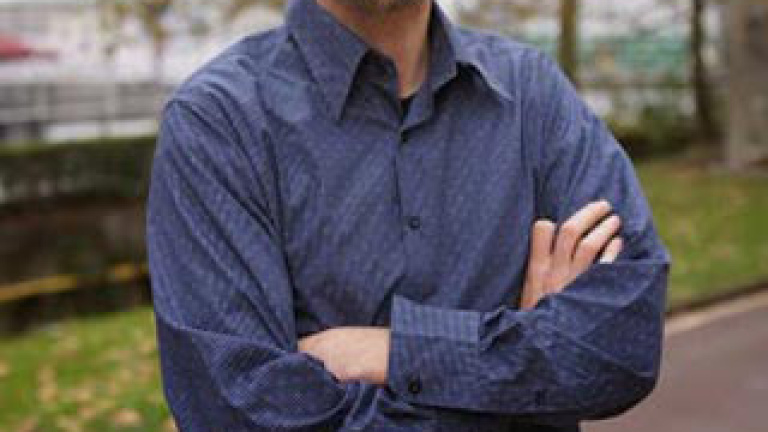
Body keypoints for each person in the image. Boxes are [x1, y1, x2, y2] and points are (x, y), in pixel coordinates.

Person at [145, 0, 671, 431]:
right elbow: (240, 414)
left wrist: (397, 352)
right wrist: (523, 373)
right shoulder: (217, 125)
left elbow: (621, 347)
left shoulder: (532, 96)